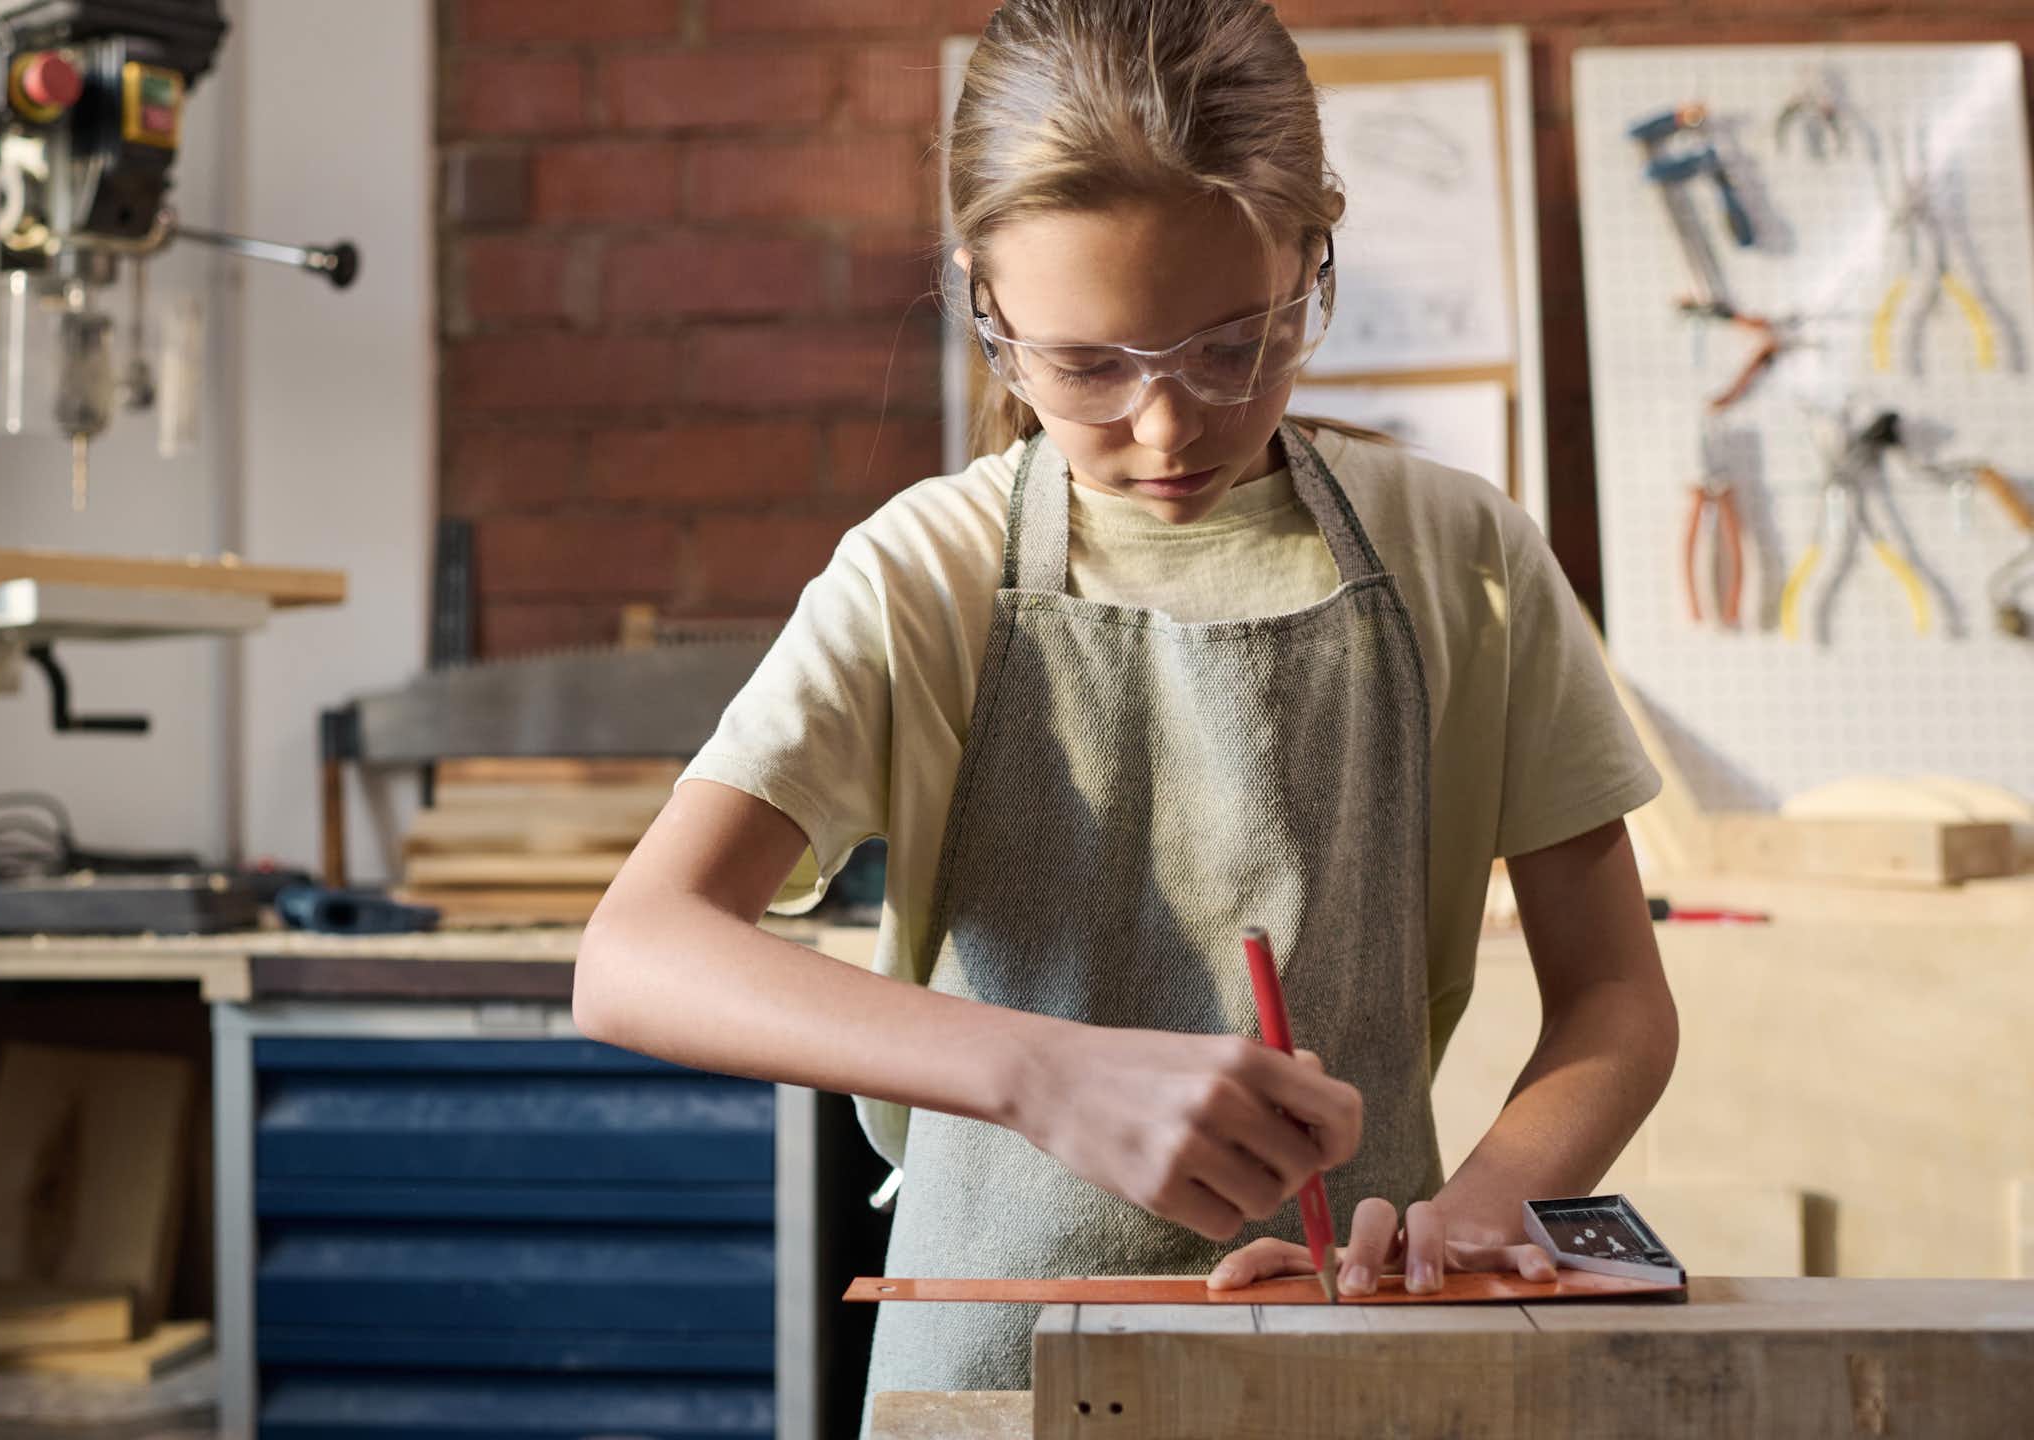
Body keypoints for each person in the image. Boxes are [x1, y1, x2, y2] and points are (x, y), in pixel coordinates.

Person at [573, 0, 1679, 1407]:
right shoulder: (929, 573)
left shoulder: (1462, 557)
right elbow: (635, 953)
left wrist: (1485, 1209)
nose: (1166, 426)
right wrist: (1041, 1073)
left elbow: (1616, 1001)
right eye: (1088, 368)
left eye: (1237, 346)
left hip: (1360, 1353)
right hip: (989, 1381)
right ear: (986, 304)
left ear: (1314, 257)